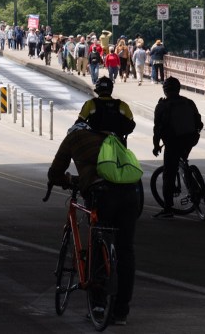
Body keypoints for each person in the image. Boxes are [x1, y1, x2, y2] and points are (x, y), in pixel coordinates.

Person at [47, 102, 139, 325]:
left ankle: (98, 306)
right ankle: (121, 312)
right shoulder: (114, 140)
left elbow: (55, 172)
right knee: (125, 251)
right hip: (131, 194)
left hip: (103, 195)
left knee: (98, 244)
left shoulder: (75, 137)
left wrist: (68, 181)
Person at [151, 77, 203, 218]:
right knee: (182, 160)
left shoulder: (162, 106)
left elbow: (157, 129)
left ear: (165, 90)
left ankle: (168, 209)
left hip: (173, 142)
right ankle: (194, 186)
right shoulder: (188, 102)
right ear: (179, 89)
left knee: (169, 173)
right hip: (190, 139)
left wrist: (156, 146)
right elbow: (199, 123)